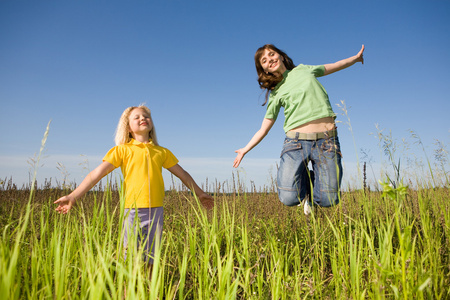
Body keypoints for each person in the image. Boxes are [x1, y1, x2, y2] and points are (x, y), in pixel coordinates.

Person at [54, 104, 214, 265]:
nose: (142, 119)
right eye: (136, 117)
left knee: (152, 260)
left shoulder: (161, 152)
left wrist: (200, 193)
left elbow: (183, 175)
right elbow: (96, 174)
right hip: (132, 211)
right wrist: (73, 196)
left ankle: (152, 290)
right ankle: (128, 291)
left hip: (156, 211)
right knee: (131, 260)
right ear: (128, 127)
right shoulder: (121, 150)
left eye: (146, 116)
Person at [233, 44, 364, 215]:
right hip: (296, 143)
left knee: (328, 200)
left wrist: (355, 59)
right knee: (288, 198)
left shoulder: (304, 70)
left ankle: (312, 190)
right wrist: (245, 149)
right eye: (264, 60)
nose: (270, 60)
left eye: (272, 54)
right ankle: (306, 185)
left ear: (280, 56)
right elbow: (263, 129)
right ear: (263, 69)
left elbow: (335, 65)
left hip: (326, 140)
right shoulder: (276, 93)